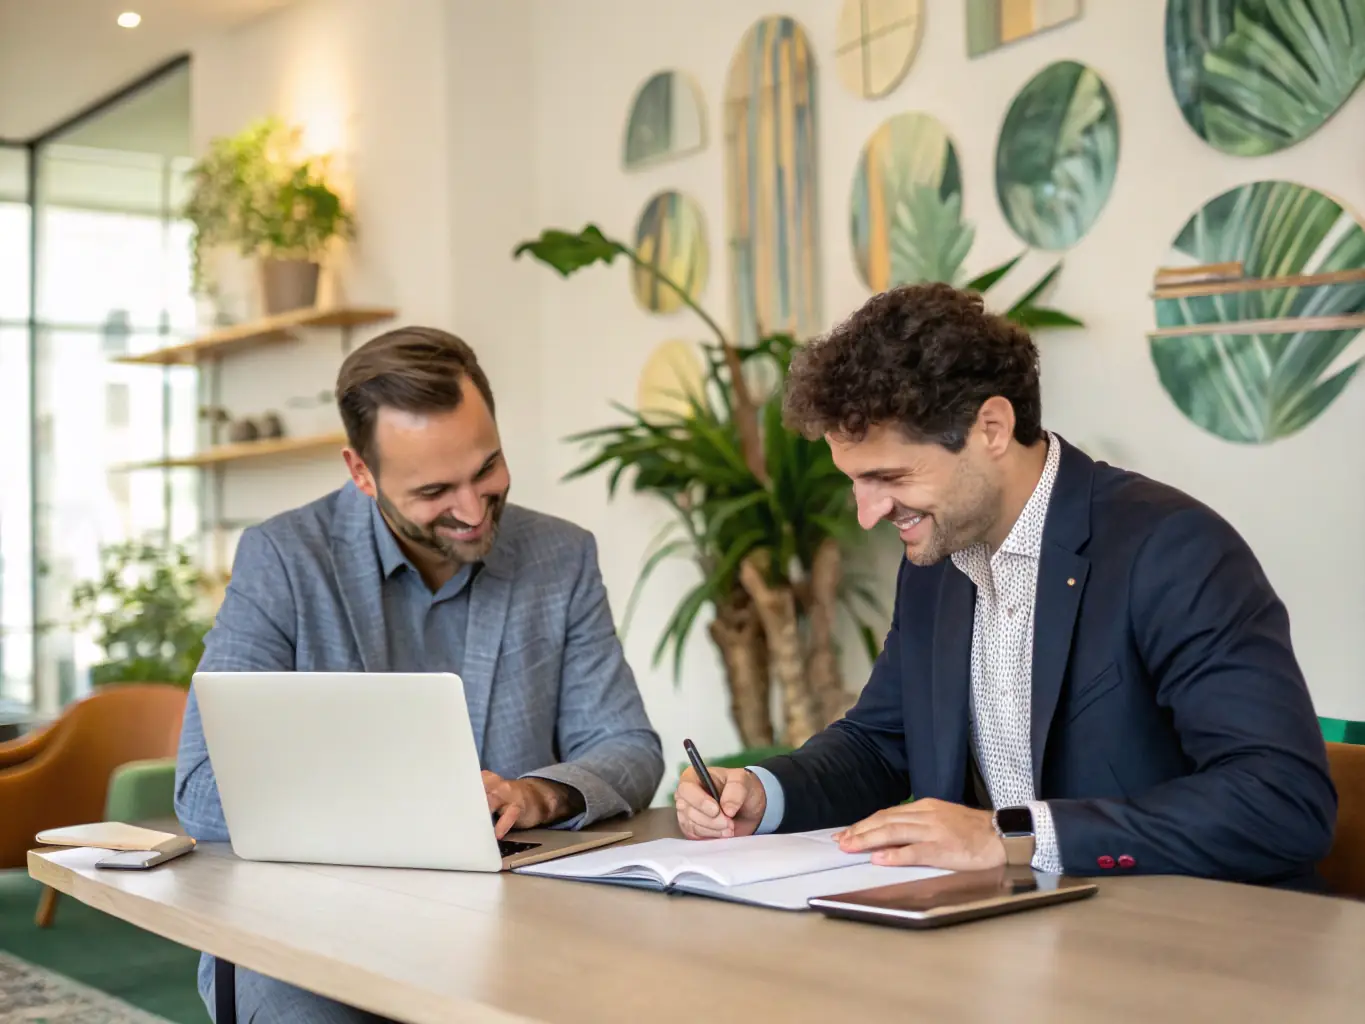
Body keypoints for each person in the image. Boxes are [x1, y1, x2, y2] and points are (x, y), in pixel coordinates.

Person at [676, 283, 1337, 889]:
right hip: (1013, 940)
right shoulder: (937, 561)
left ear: (990, 428)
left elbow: (1280, 800)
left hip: (1189, 950)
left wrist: (1012, 835)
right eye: (855, 481)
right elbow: (881, 744)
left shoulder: (1171, 548)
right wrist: (763, 793)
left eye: (890, 478)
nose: (867, 513)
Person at [175, 326, 664, 1023]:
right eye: (435, 490)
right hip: (312, 939)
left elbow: (628, 746)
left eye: (487, 469)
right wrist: (415, 811)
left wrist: (538, 795)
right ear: (361, 472)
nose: (471, 509)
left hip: (520, 926)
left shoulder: (560, 556)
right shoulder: (282, 560)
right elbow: (201, 789)